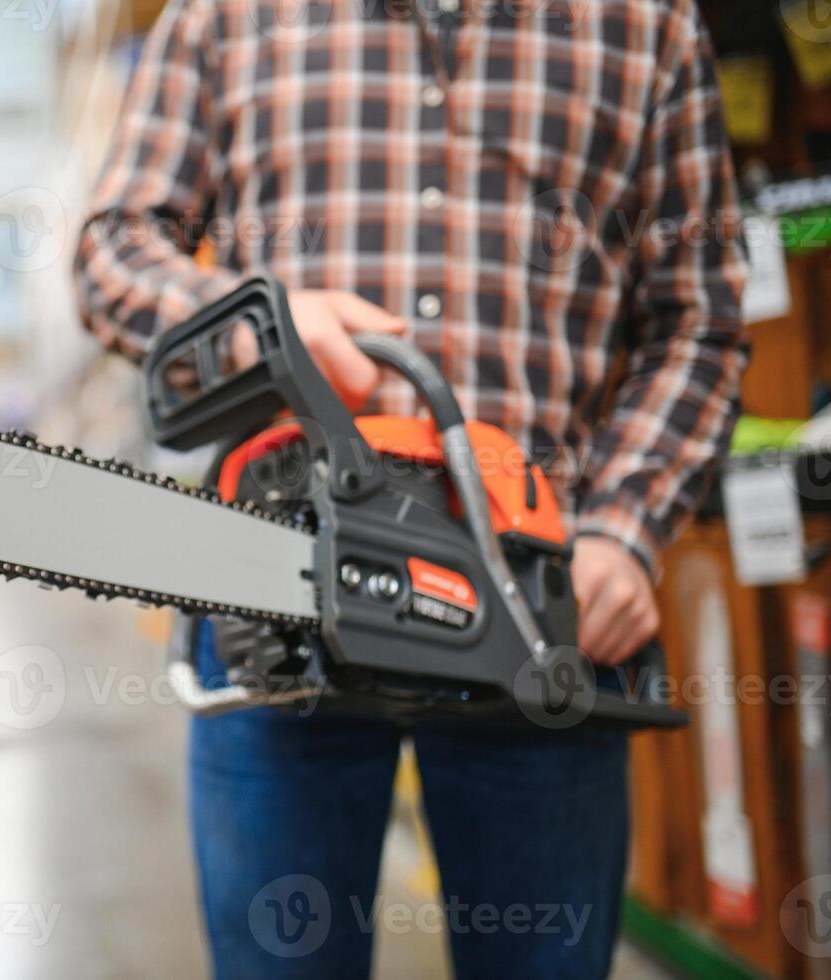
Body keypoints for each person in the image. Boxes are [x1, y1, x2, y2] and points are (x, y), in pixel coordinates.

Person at [72, 0, 747, 976]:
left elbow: (701, 316)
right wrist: (259, 325)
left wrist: (626, 528)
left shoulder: (644, 23)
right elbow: (112, 249)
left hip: (539, 608)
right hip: (284, 600)